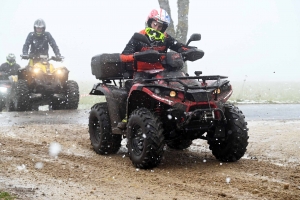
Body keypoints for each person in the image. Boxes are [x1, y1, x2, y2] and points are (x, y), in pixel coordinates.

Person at [117, 8, 190, 129]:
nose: (156, 28)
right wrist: (137, 56)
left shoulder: (165, 38)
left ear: (163, 28)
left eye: (160, 26)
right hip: (142, 73)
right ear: (150, 22)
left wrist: (189, 50)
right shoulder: (139, 36)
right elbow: (123, 56)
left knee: (179, 86)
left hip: (161, 72)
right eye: (155, 24)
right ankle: (127, 117)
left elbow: (179, 47)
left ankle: (178, 114)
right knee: (135, 91)